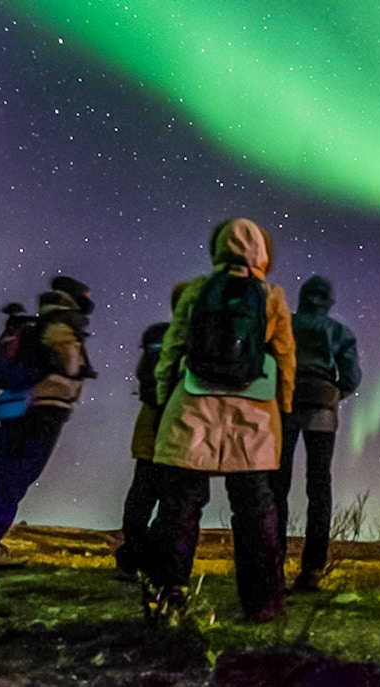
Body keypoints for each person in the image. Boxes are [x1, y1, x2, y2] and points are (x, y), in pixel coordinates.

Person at [143, 217, 296, 623]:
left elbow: (172, 348)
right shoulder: (272, 296)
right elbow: (285, 358)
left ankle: (167, 597)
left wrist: (163, 398)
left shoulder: (197, 290)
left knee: (180, 501)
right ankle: (263, 604)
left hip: (194, 402)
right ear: (262, 252)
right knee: (255, 505)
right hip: (254, 413)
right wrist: (284, 408)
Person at [0, 275, 96, 574]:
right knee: (13, 480)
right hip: (44, 413)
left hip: (16, 407)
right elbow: (68, 368)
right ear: (77, 298)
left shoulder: (35, 323)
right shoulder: (64, 324)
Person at [271, 275, 362, 592]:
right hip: (322, 406)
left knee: (276, 484)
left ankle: (272, 563)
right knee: (319, 486)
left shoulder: (286, 324)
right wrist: (334, 393)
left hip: (284, 403)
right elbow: (350, 377)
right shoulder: (340, 333)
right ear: (328, 302)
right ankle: (311, 570)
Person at [113, 282, 189, 580]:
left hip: (149, 425)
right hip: (180, 428)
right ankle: (150, 559)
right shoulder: (196, 338)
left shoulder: (157, 334)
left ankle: (131, 559)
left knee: (141, 497)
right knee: (175, 501)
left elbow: (142, 374)